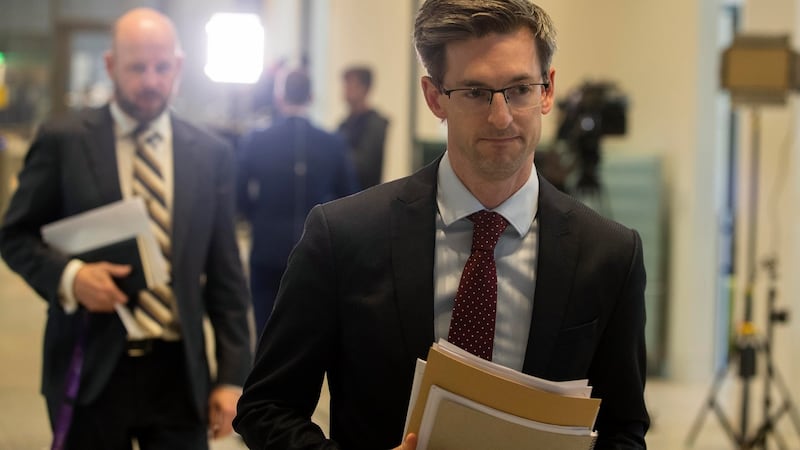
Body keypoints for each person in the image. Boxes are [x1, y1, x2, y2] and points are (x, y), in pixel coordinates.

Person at [233, 0, 649, 449]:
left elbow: (624, 429)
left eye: (519, 89)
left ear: (547, 90)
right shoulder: (344, 236)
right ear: (435, 97)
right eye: (475, 92)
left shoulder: (609, 253)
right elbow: (267, 408)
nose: (501, 116)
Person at [0, 8, 251, 449]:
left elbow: (226, 275)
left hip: (179, 373)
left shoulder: (210, 154)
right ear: (111, 65)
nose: (151, 81)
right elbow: (14, 235)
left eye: (162, 67)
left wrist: (231, 377)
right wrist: (71, 278)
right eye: (137, 68)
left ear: (179, 66)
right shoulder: (64, 140)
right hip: (92, 370)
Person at [236, 68, 359, 335]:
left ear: (279, 96)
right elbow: (350, 199)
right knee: (306, 337)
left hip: (267, 249)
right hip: (315, 251)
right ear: (312, 97)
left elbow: (238, 195)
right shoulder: (332, 143)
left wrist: (256, 215)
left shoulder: (257, 140)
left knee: (265, 335)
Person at [337, 65, 390, 189]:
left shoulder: (376, 123)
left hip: (365, 196)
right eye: (345, 85)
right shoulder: (343, 125)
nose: (346, 90)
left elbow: (365, 165)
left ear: (365, 89)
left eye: (351, 85)